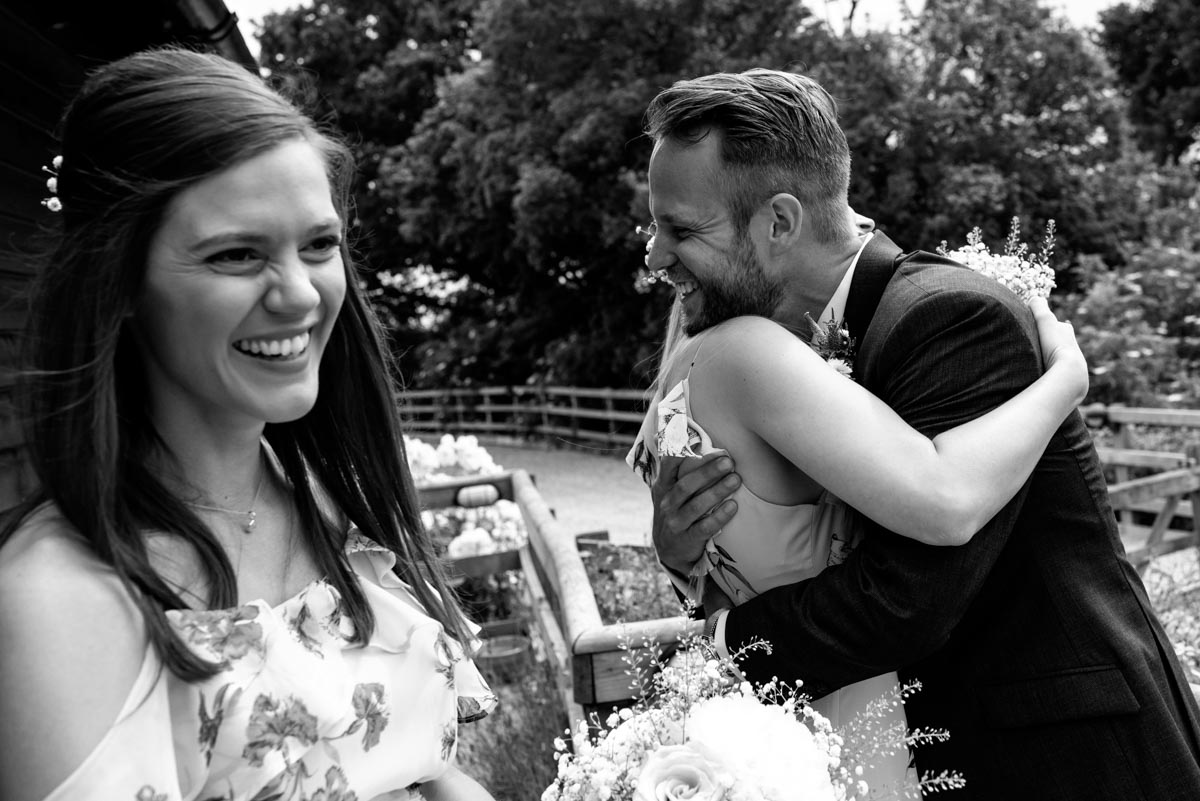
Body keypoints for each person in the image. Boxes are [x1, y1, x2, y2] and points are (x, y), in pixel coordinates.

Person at [640, 69, 1200, 799]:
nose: (654, 255)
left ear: (779, 222)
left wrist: (716, 646)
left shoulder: (947, 318)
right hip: (931, 751)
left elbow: (908, 599)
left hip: (1070, 759)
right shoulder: (784, 354)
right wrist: (684, 551)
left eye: (682, 228)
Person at [0, 48, 496, 801]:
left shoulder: (332, 503)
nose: (298, 294)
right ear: (120, 279)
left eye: (320, 244)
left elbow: (431, 770)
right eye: (237, 254)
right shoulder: (58, 604)